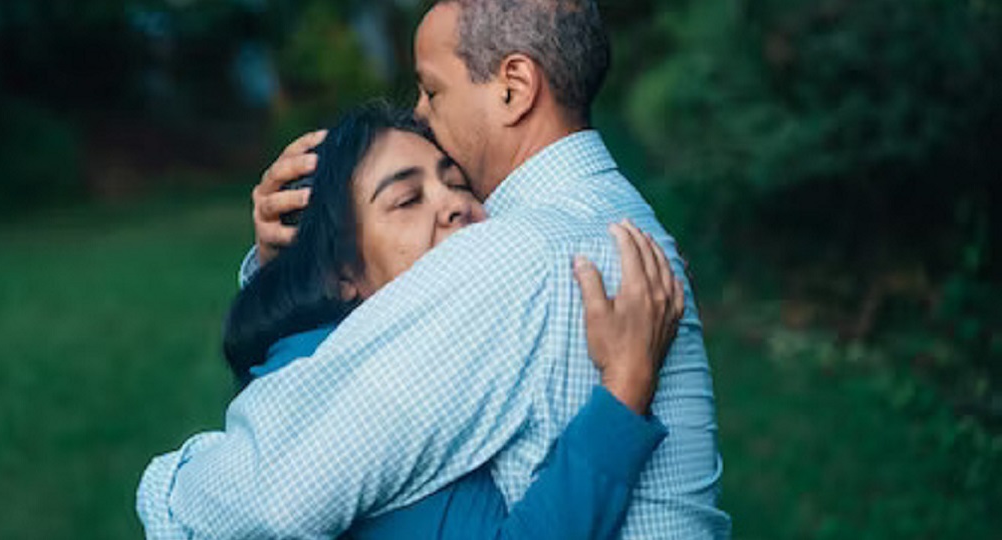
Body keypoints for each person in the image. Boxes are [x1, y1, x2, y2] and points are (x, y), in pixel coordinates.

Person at [140, 1, 728, 537]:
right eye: (406, 197)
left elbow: (271, 496)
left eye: (432, 90)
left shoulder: (512, 255)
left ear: (514, 88)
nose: (420, 114)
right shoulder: (614, 219)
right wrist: (288, 263)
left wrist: (168, 486)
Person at [212, 103, 681, 539]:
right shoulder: (385, 399)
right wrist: (626, 387)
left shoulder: (321, 351)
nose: (456, 204)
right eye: (407, 199)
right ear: (340, 273)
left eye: (457, 183)